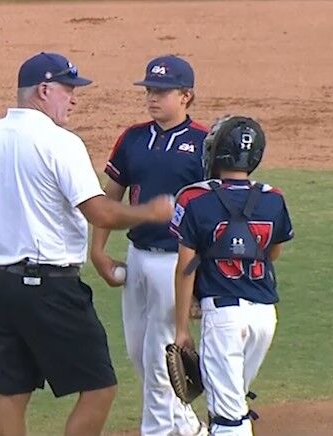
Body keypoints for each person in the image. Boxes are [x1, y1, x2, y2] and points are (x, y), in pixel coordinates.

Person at [0, 52, 175, 436]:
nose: (73, 99)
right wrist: (150, 213)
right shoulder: (61, 143)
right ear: (43, 90)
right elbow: (101, 213)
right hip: (50, 286)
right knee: (99, 387)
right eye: (68, 89)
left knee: (12, 391)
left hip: (1, 286)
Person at [90, 55, 207, 435]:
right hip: (138, 258)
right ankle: (188, 427)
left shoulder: (203, 143)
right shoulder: (133, 137)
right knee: (141, 356)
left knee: (161, 360)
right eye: (149, 90)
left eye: (161, 91)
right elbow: (111, 194)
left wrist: (197, 284)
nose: (152, 97)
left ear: (186, 95)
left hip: (176, 263)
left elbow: (213, 213)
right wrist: (98, 248)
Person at [171, 116, 294, 436]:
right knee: (233, 399)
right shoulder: (273, 197)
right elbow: (272, 253)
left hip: (225, 318)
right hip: (265, 316)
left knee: (227, 417)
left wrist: (181, 327)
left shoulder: (193, 198)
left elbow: (185, 268)